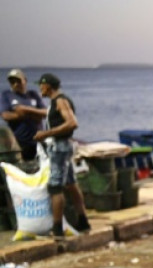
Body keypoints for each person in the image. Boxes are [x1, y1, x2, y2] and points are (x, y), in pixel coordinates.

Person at [33, 73, 91, 237]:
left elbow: (72, 122)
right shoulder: (55, 102)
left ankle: (57, 228)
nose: (39, 89)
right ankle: (83, 221)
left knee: (55, 187)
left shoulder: (60, 101)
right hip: (64, 146)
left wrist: (46, 134)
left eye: (41, 85)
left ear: (48, 86)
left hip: (60, 147)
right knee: (71, 184)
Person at [1, 69, 45, 161]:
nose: (15, 84)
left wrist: (24, 110)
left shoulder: (33, 95)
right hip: (19, 141)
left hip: (37, 139)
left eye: (18, 81)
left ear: (25, 80)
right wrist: (31, 115)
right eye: (12, 82)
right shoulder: (7, 95)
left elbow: (45, 113)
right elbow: (5, 116)